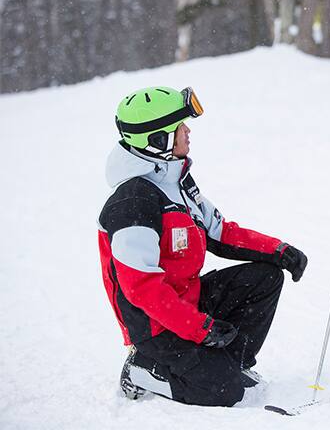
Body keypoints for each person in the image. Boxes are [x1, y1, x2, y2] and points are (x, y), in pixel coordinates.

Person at [98, 86, 308, 407]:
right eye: (180, 127)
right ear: (158, 140)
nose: (188, 131)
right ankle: (143, 368)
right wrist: (201, 328)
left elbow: (221, 232)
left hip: (188, 301)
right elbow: (142, 290)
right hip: (155, 325)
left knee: (265, 277)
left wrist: (278, 250)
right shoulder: (132, 202)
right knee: (226, 393)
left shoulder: (174, 181)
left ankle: (228, 364)